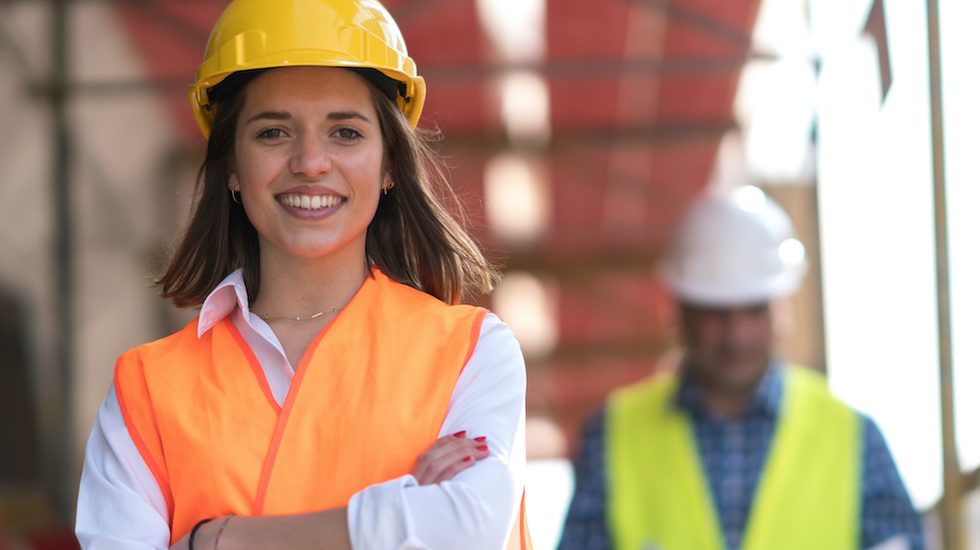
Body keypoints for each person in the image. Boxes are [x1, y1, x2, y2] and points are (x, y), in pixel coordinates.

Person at [75, 1, 530, 548]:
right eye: (272, 133)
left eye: (346, 133)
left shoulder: (472, 353)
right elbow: (436, 527)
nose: (311, 161)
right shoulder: (145, 390)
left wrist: (222, 540)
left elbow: (466, 526)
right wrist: (401, 512)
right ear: (233, 171)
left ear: (389, 166)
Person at [558, 187, 923, 550]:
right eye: (716, 313)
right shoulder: (612, 437)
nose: (737, 334)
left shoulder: (855, 439)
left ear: (780, 309)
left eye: (753, 310)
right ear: (682, 312)